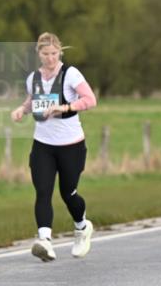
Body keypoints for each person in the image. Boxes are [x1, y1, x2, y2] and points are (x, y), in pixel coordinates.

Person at [10, 33, 98, 262]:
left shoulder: (71, 74)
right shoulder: (33, 78)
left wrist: (64, 107)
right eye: (45, 54)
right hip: (43, 145)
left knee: (68, 193)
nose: (50, 58)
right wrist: (21, 110)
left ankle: (82, 227)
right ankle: (45, 242)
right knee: (43, 191)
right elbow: (32, 102)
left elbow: (90, 100)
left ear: (60, 52)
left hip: (71, 145)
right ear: (38, 54)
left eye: (54, 53)